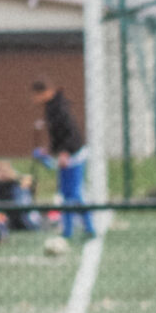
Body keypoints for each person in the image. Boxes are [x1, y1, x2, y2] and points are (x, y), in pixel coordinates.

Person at [30, 78, 94, 240]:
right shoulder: (52, 107)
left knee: (74, 194)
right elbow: (57, 135)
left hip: (74, 154)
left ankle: (89, 227)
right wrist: (51, 149)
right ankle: (68, 230)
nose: (33, 99)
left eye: (35, 95)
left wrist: (65, 152)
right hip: (67, 153)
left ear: (43, 92)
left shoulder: (58, 108)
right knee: (66, 194)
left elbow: (70, 132)